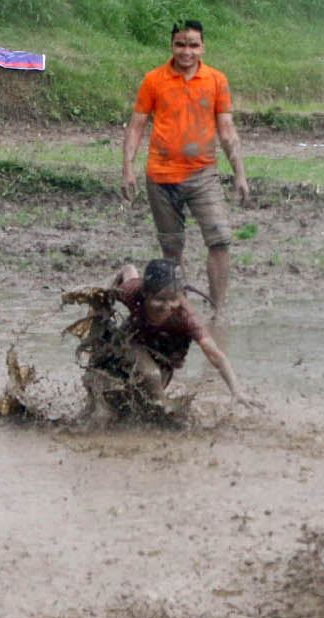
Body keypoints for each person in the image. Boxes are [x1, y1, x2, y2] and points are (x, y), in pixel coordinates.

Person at [121, 19, 250, 320]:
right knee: (172, 248)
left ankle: (218, 311)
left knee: (219, 241)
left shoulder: (216, 80)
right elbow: (137, 125)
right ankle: (181, 309)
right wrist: (127, 168)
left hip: (203, 174)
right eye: (180, 44)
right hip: (161, 177)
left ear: (203, 47)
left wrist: (240, 173)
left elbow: (227, 130)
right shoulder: (154, 80)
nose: (187, 51)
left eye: (193, 44)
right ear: (172, 46)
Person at [81, 259, 255, 425]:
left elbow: (215, 355)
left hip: (164, 353)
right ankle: (98, 410)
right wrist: (96, 325)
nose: (167, 306)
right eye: (159, 299)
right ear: (145, 293)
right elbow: (128, 270)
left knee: (150, 403)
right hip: (132, 341)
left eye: (173, 299)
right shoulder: (131, 292)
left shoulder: (186, 317)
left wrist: (236, 391)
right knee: (150, 374)